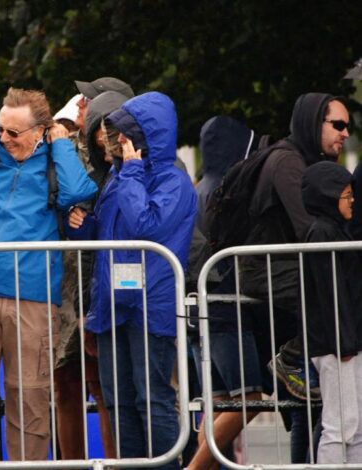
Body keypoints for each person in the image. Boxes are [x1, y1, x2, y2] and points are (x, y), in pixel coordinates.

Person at [0, 87, 98, 461]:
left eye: (14, 133)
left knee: (30, 401)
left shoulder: (57, 161)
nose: (5, 139)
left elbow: (79, 190)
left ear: (41, 130)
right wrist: (0, 126)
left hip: (33, 296)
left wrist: (58, 141)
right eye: (1, 130)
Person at [67, 91, 197, 470]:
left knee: (151, 398)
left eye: (124, 136)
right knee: (118, 399)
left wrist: (134, 171)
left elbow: (145, 227)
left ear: (144, 137)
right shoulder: (120, 177)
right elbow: (109, 236)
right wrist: (84, 228)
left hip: (149, 305)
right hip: (113, 301)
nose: (116, 143)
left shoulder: (172, 180)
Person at [240, 93, 350, 403]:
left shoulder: (309, 160)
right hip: (268, 268)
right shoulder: (288, 162)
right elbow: (310, 228)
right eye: (338, 124)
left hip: (289, 266)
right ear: (314, 123)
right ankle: (291, 357)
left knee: (309, 408)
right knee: (334, 291)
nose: (346, 133)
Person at [51, 90, 130, 461]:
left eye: (89, 103)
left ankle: (115, 464)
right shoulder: (68, 152)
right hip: (66, 288)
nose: (82, 108)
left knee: (106, 389)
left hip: (104, 289)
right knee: (66, 385)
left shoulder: (126, 163)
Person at [186, 116, 265, 470]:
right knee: (248, 399)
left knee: (217, 404)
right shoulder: (228, 193)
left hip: (197, 311)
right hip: (225, 309)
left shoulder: (199, 188)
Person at [302, 161, 362, 463]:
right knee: (341, 424)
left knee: (354, 424)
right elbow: (330, 292)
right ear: (327, 196)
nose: (352, 201)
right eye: (346, 196)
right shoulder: (324, 233)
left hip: (344, 341)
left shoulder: (334, 230)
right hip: (336, 343)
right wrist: (345, 342)